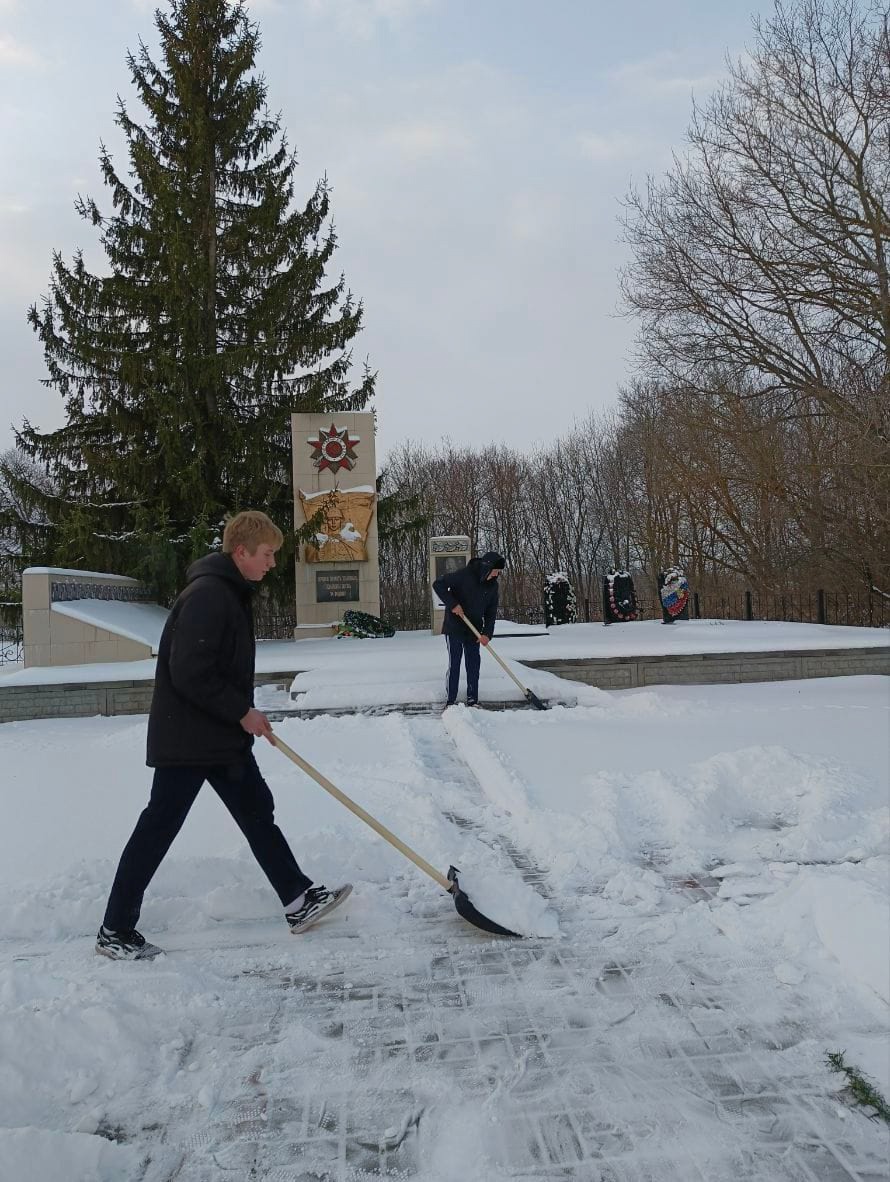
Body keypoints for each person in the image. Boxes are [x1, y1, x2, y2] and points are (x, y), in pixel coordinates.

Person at [96, 510, 351, 960]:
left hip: (216, 737)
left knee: (257, 811)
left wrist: (240, 714)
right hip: (189, 741)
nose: (272, 563)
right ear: (241, 552)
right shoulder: (209, 596)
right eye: (267, 554)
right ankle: (114, 930)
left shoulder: (228, 593)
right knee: (158, 828)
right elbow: (189, 671)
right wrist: (242, 712)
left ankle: (298, 900)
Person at [433, 551, 506, 707]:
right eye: (496, 571)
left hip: (474, 630)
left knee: (473, 664)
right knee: (455, 662)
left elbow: (491, 612)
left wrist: (487, 634)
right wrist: (453, 604)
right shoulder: (464, 575)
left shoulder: (493, 586)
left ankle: (472, 700)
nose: (497, 575)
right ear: (488, 567)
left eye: (498, 572)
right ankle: (451, 700)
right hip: (454, 627)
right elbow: (438, 584)